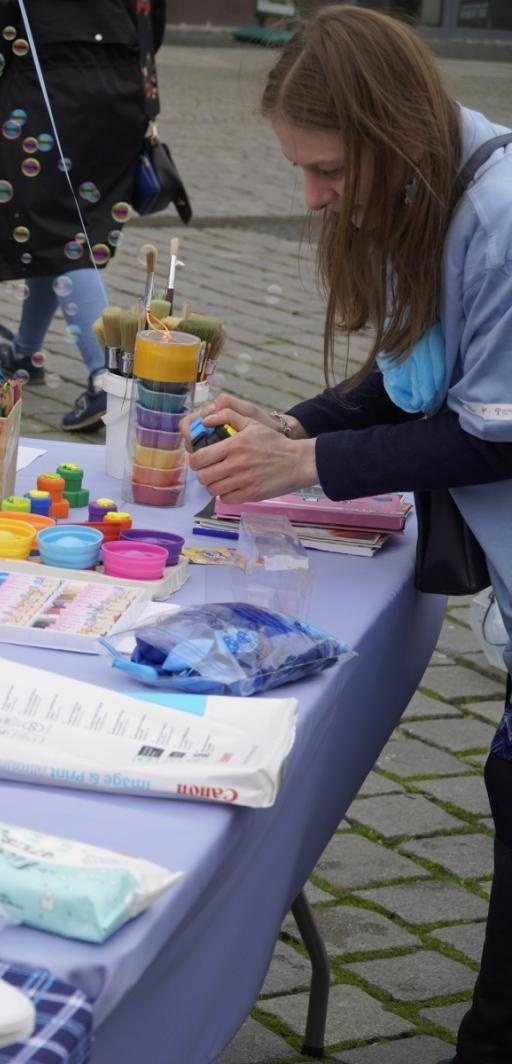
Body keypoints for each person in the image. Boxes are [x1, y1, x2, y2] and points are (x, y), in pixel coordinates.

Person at [184, 10, 512, 1062]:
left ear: (391, 128)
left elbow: (487, 432)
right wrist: (297, 423)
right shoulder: (441, 190)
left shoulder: (500, 214)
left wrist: (308, 464)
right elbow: (410, 373)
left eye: (326, 169)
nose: (314, 197)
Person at [0, 0, 165, 431]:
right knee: (53, 228)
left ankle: (108, 378)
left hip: (48, 96)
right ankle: (26, 351)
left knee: (57, 229)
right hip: (123, 98)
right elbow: (151, 28)